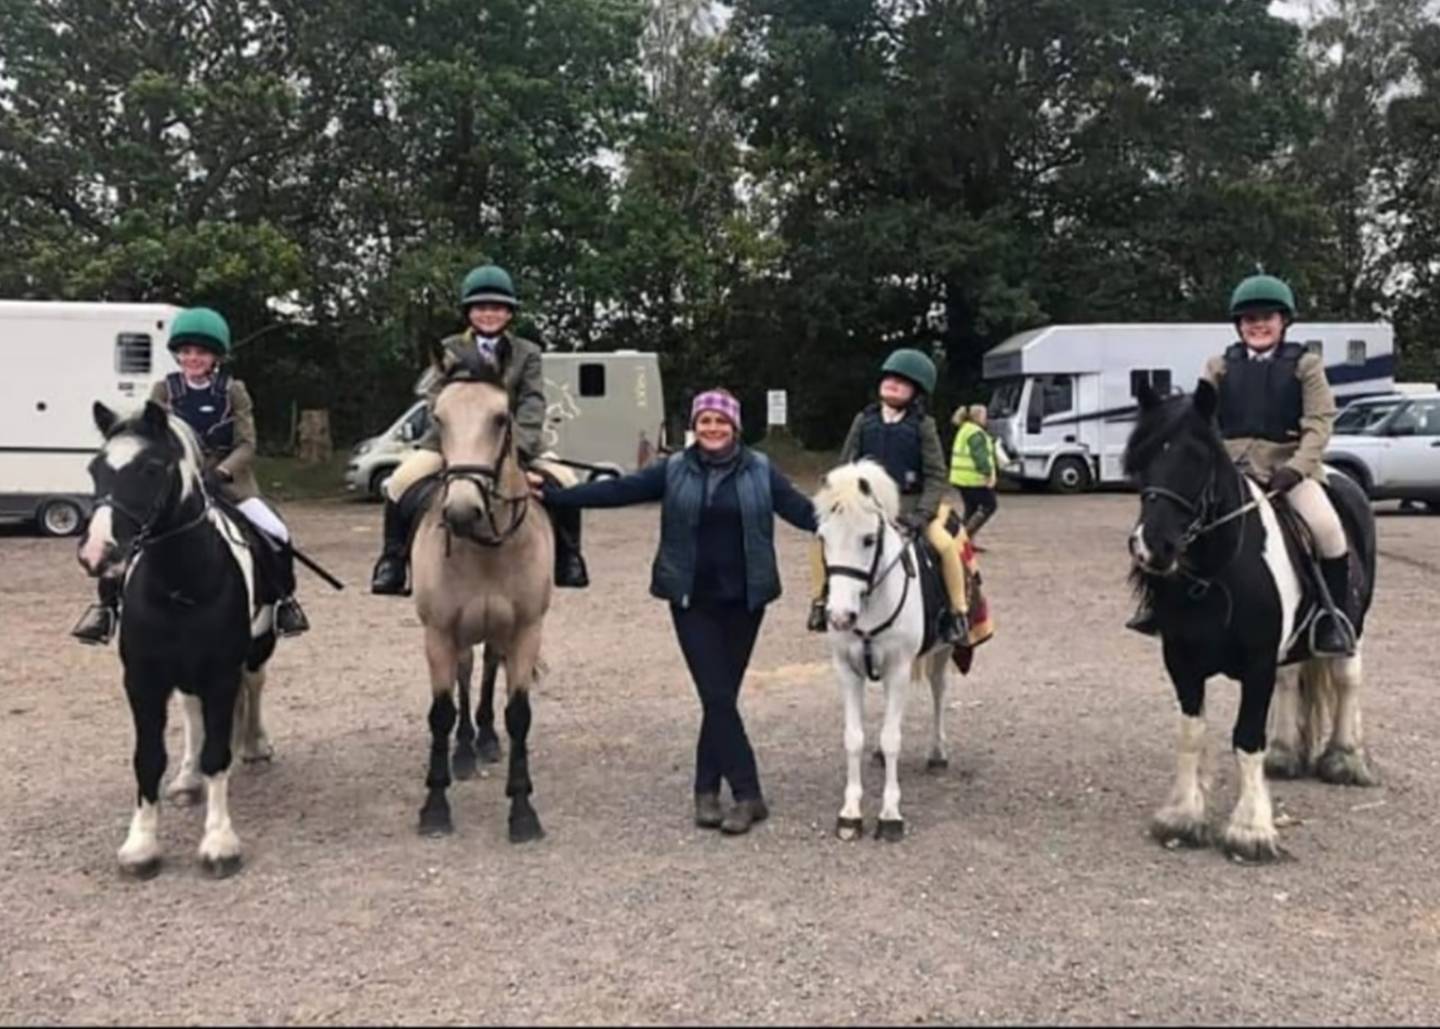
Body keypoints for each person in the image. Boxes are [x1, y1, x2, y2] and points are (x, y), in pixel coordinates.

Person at [541, 388, 817, 835]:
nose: (712, 429)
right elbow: (618, 491)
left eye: (720, 422)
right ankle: (748, 794)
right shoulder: (673, 470)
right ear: (695, 426)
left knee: (721, 696)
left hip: (747, 599)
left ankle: (706, 789)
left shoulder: (762, 471)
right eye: (705, 421)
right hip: (691, 598)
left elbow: (805, 514)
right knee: (716, 693)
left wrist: (855, 516)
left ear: (735, 428)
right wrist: (556, 498)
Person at [1127, 274, 1357, 656]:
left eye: (1267, 317)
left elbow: (1319, 424)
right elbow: (1197, 419)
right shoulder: (1220, 365)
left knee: (1327, 529)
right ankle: (1159, 608)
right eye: (1249, 319)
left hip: (1288, 470)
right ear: (1239, 325)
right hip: (1231, 470)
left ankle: (1331, 620)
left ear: (1283, 321)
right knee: (1169, 522)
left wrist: (1298, 468)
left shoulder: (1306, 365)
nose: (1258, 325)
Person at [71, 306, 310, 644]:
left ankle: (283, 601)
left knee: (276, 532)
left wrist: (222, 472)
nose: (192, 358)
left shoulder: (233, 391)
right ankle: (106, 608)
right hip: (175, 483)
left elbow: (247, 444)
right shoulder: (163, 391)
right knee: (127, 533)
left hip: (229, 481)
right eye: (186, 352)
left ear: (215, 357)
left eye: (201, 352)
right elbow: (150, 442)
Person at [369, 263, 588, 595]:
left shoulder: (527, 352)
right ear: (469, 311)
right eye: (481, 307)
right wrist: (453, 427)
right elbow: (432, 394)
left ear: (509, 312)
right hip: (452, 443)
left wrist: (522, 447)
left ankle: (569, 558)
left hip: (512, 441)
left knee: (567, 481)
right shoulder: (450, 348)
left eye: (497, 307)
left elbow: (532, 401)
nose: (489, 314)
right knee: (400, 481)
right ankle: (393, 561)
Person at [807, 348, 968, 644]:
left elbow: (936, 476)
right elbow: (846, 464)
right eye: (890, 378)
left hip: (911, 506)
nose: (893, 384)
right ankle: (819, 602)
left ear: (916, 392)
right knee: (821, 539)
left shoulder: (923, 425)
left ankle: (957, 613)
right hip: (865, 510)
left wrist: (921, 515)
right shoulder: (863, 420)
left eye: (902, 381)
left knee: (945, 545)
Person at [950, 404, 999, 547]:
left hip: (960, 478)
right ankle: (963, 537)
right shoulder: (976, 433)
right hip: (973, 479)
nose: (986, 418)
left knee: (971, 509)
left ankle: (966, 541)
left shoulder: (965, 429)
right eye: (984, 415)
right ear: (978, 417)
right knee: (989, 505)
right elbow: (980, 456)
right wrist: (988, 473)